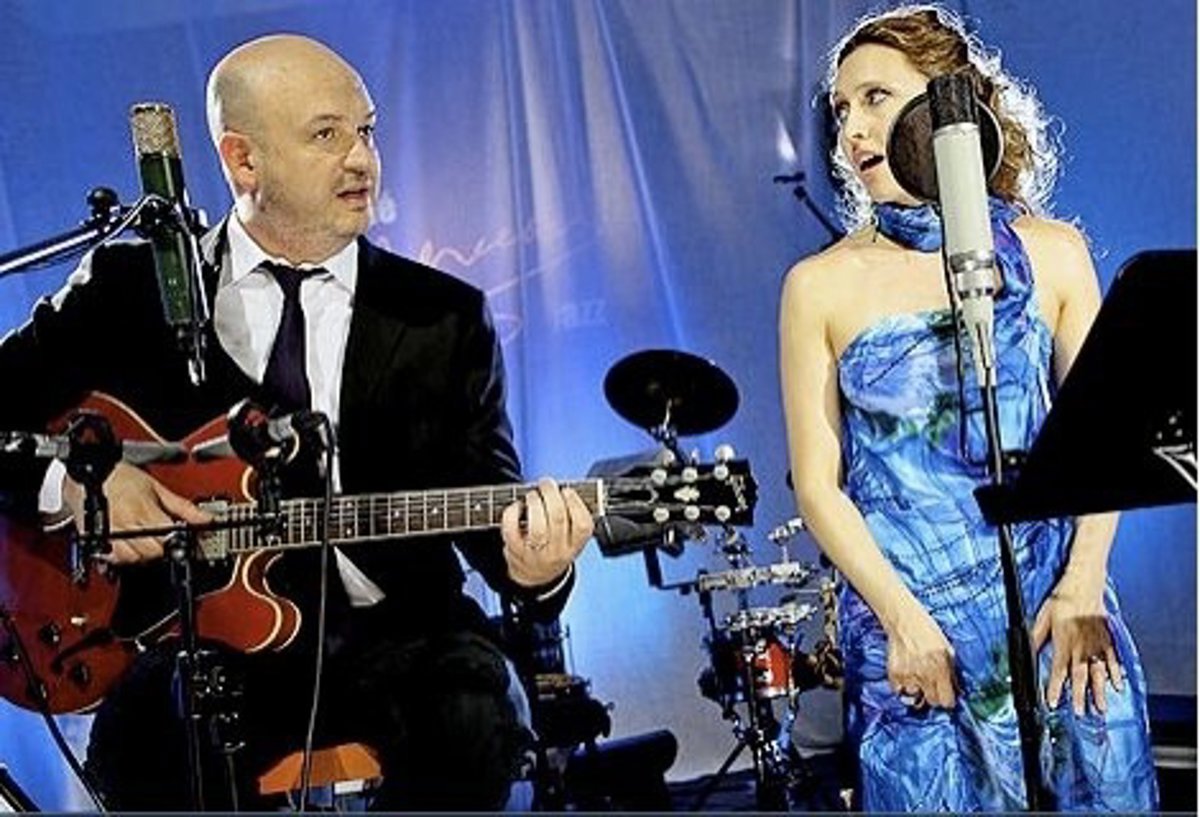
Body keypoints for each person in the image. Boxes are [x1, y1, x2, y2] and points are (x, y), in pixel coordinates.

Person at [0, 34, 593, 810]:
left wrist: (540, 570)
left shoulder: (442, 317)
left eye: (367, 131)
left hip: (402, 640)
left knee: (473, 714)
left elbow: (495, 514)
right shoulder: (129, 289)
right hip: (197, 641)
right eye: (326, 134)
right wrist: (75, 485)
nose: (361, 159)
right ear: (243, 160)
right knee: (149, 740)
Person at [778, 5, 1157, 811]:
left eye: (875, 98)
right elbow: (818, 484)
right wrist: (902, 623)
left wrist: (1083, 584)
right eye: (842, 109)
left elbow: (1109, 438)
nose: (852, 129)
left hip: (1060, 616)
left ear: (947, 104)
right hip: (916, 643)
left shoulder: (1053, 253)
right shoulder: (820, 285)